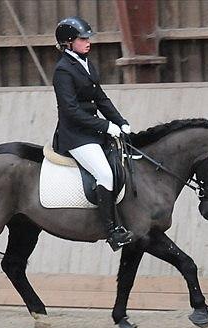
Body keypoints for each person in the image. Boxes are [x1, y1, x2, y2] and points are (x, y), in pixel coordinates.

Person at [52, 16, 133, 250]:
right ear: (68, 43)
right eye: (82, 38)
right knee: (105, 175)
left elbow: (101, 98)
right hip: (75, 135)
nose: (88, 42)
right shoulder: (63, 71)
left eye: (87, 38)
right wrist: (106, 126)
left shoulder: (86, 63)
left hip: (92, 130)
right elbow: (71, 111)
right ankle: (111, 231)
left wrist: (120, 121)